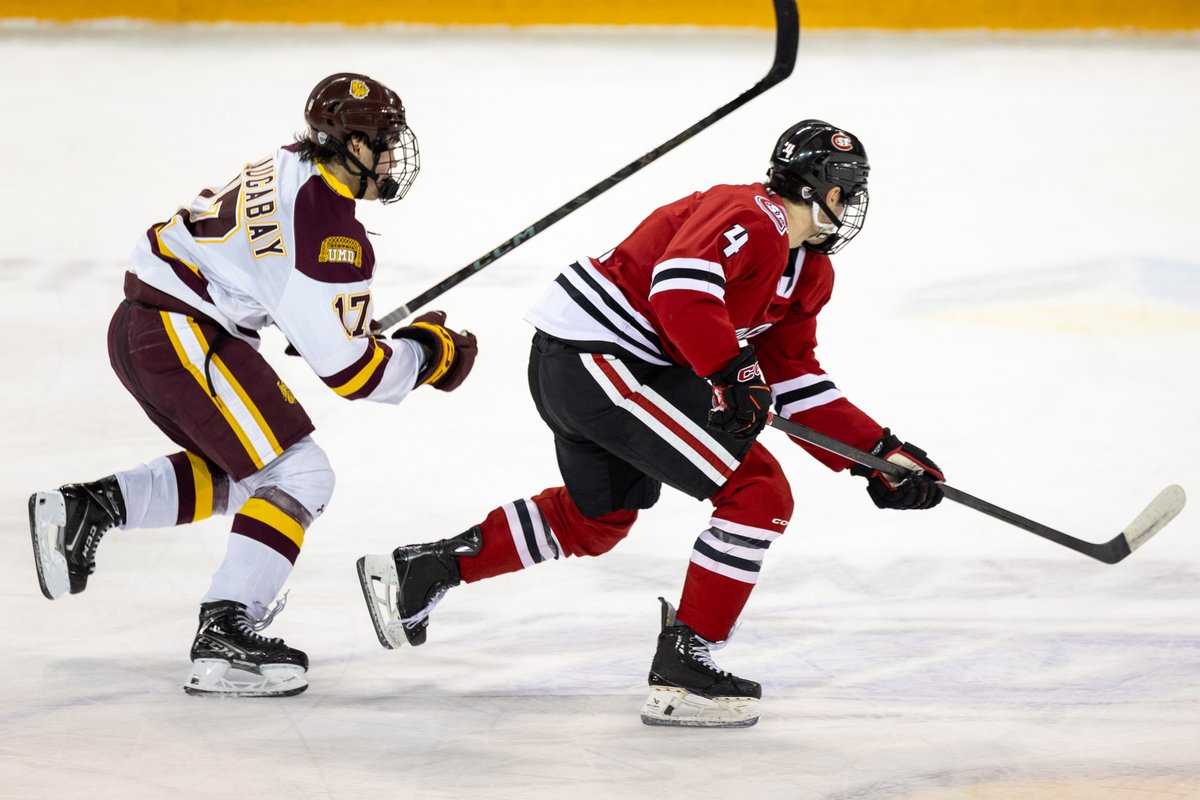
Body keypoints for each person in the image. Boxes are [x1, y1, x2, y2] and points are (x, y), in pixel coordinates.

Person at [356, 119, 943, 727]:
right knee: (758, 492)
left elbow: (794, 376)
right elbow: (680, 290)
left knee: (598, 519)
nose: (849, 208)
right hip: (604, 361)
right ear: (821, 188)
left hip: (592, 366)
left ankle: (428, 568)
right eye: (847, 190)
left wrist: (879, 455)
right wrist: (731, 371)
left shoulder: (808, 273)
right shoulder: (752, 214)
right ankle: (686, 667)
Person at [27, 73, 477, 698]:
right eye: (382, 139)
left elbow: (272, 271)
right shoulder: (328, 238)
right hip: (182, 334)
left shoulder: (295, 164)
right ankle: (226, 633)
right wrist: (430, 354)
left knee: (251, 475)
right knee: (298, 476)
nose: (392, 153)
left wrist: (316, 319)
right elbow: (354, 374)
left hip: (152, 326)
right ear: (348, 146)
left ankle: (92, 507)